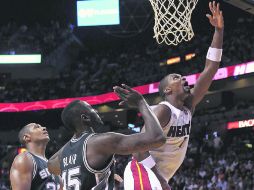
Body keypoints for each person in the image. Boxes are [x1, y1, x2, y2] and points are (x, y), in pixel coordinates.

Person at [126, 1, 224, 189]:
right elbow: (138, 150)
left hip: (158, 177)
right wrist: (160, 180)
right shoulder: (163, 111)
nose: (184, 78)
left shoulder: (187, 108)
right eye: (177, 77)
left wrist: (218, 31)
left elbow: (211, 69)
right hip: (142, 172)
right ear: (167, 90)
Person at [47, 84, 166, 190]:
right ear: (85, 118)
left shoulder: (64, 154)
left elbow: (50, 166)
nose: (96, 111)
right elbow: (157, 138)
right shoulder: (100, 142)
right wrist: (141, 102)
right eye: (91, 108)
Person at [10, 123, 62, 190]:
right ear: (27, 137)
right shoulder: (25, 159)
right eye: (37, 127)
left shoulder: (53, 167)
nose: (44, 128)